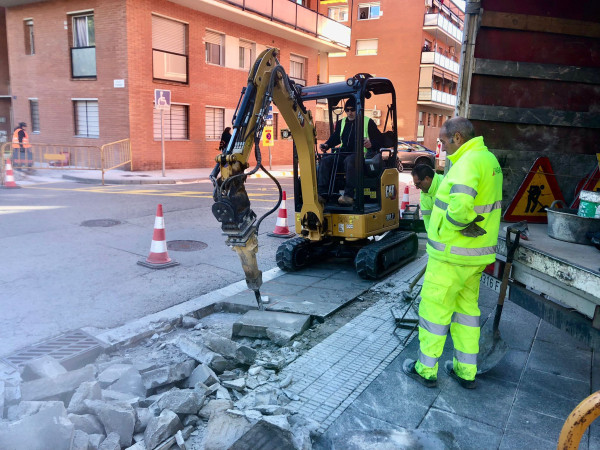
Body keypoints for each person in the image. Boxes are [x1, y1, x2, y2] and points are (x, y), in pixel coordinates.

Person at [402, 117, 503, 390]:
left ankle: (426, 370)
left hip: (450, 256)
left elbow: (460, 208)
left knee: (434, 312)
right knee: (466, 314)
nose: (443, 148)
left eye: (444, 142)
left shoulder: (466, 163)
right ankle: (465, 371)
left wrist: (451, 226)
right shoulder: (488, 160)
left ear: (458, 137)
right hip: (474, 258)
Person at [318, 97, 381, 206]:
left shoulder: (367, 122)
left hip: (360, 155)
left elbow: (379, 139)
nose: (350, 112)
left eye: (352, 110)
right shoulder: (341, 122)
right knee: (326, 160)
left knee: (350, 161)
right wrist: (327, 145)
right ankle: (322, 193)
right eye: (347, 110)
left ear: (358, 109)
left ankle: (348, 195)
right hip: (343, 153)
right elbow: (336, 137)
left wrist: (371, 143)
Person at [411, 164, 443, 233]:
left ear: (427, 179)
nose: (417, 187)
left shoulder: (444, 184)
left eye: (418, 184)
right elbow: (427, 219)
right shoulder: (424, 194)